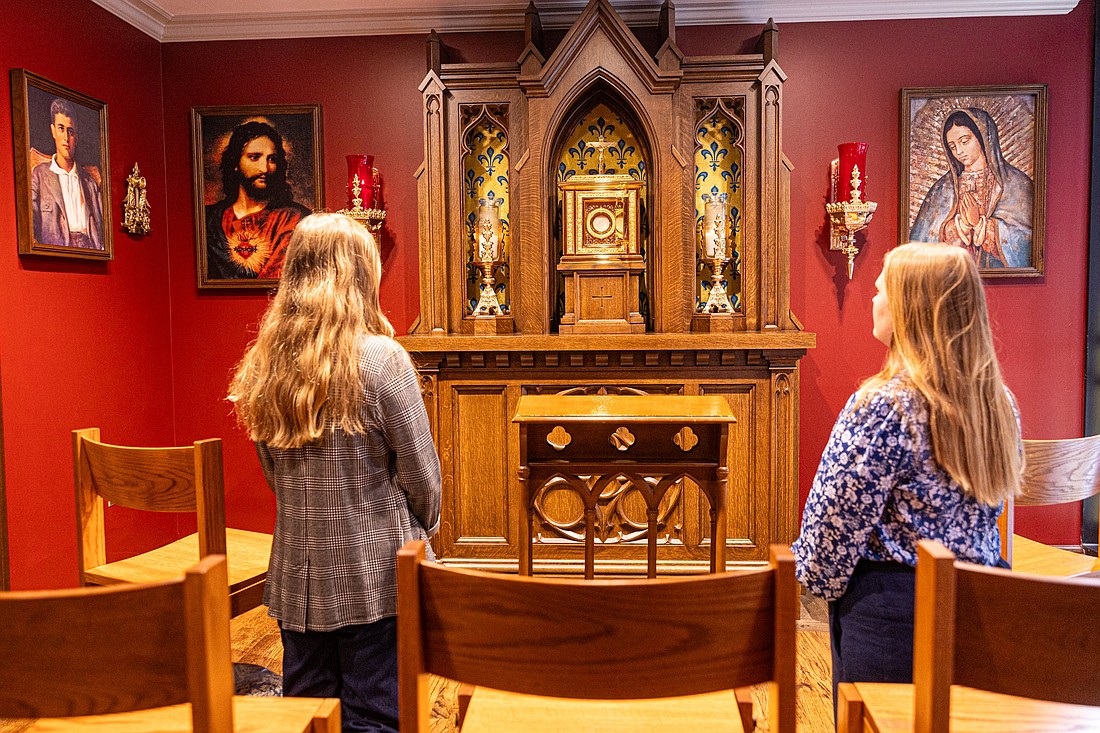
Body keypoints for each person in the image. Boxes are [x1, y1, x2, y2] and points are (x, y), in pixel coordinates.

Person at [227, 213, 441, 733]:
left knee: (308, 714)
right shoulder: (382, 359)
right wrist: (423, 530)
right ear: (358, 278)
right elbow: (422, 477)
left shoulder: (264, 363)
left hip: (298, 578)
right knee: (375, 716)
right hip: (376, 578)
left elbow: (273, 473)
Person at [791, 242, 1022, 715]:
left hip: (894, 622)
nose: (872, 300)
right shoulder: (999, 404)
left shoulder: (884, 407)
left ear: (908, 310)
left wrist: (815, 586)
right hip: (981, 607)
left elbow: (829, 532)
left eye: (880, 291)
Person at [909, 107, 1034, 269]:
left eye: (965, 141)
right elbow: (921, 242)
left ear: (983, 138)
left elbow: (1028, 241)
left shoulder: (1016, 184)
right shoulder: (942, 189)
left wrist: (982, 225)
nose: (959, 151)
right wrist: (959, 227)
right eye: (952, 147)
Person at [205, 121, 312, 280]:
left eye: (272, 159)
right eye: (254, 157)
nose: (265, 169)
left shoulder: (294, 218)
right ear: (236, 163)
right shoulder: (210, 218)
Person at [30, 97, 104, 249]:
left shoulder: (89, 182)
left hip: (90, 249)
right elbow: (31, 228)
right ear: (53, 131)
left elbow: (102, 229)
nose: (65, 138)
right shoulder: (39, 175)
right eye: (61, 129)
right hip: (58, 249)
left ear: (75, 137)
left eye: (70, 131)